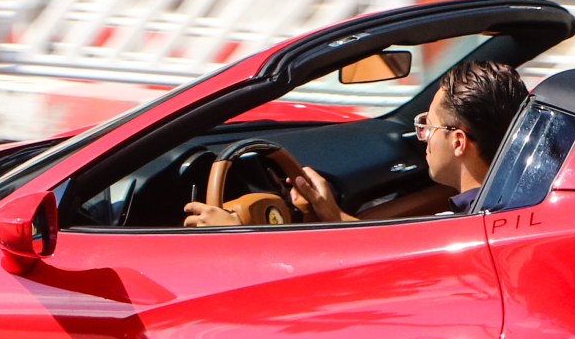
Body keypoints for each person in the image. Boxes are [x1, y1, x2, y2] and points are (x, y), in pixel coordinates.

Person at [184, 61, 528, 227]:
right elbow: (390, 250)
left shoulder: (465, 229)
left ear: (458, 142)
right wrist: (332, 215)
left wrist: (237, 236)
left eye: (428, 126)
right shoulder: (510, 205)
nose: (422, 136)